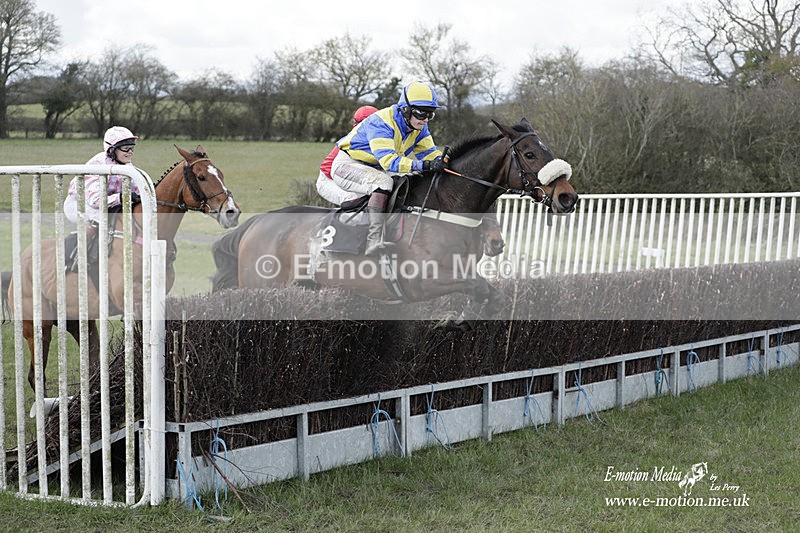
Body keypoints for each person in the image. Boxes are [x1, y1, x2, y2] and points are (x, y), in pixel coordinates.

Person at [331, 81, 445, 255]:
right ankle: (373, 240)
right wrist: (424, 165)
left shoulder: (420, 127)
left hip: (376, 167)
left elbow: (430, 154)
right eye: (422, 113)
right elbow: (389, 162)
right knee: (383, 182)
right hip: (348, 165)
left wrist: (445, 163)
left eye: (431, 114)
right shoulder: (382, 122)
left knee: (411, 178)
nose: (426, 119)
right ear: (405, 109)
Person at [64, 126, 140, 261]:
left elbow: (137, 189)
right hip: (79, 204)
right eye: (125, 148)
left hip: (104, 203)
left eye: (132, 148)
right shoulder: (98, 165)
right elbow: (95, 201)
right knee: (101, 218)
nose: (130, 152)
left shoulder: (127, 166)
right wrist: (121, 197)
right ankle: (79, 257)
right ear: (111, 149)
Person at [316, 105, 378, 206]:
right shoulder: (351, 142)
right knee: (354, 199)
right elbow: (329, 171)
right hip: (328, 180)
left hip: (348, 178)